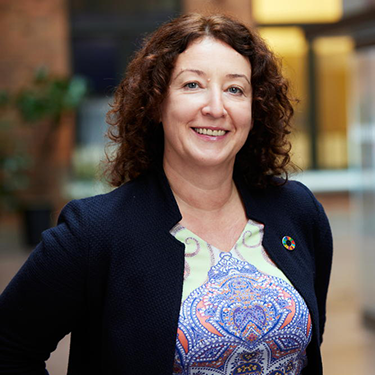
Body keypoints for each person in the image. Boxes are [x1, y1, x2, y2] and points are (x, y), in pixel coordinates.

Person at [0, 13, 332, 375]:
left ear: (255, 109)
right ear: (157, 102)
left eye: (235, 89)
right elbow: (8, 348)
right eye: (192, 85)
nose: (216, 108)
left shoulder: (298, 211)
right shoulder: (95, 232)